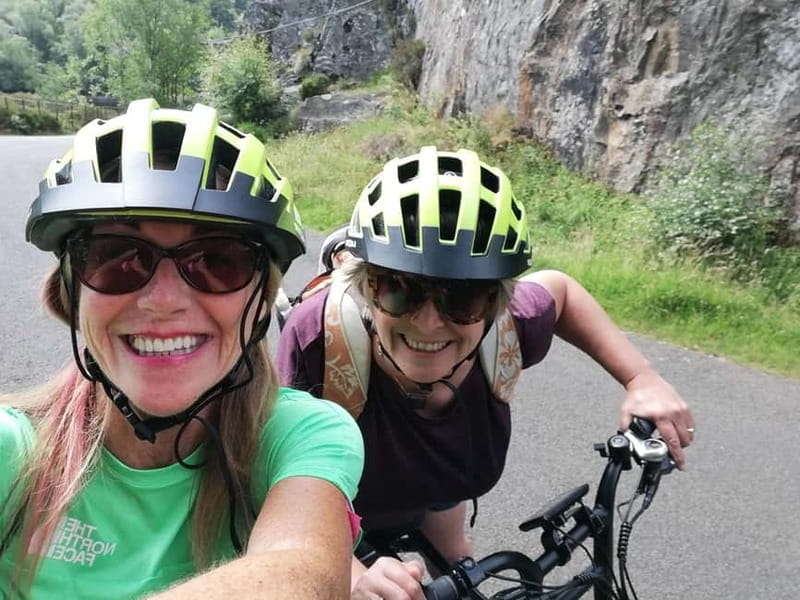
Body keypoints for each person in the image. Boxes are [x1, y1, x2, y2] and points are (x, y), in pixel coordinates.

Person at [276, 146, 695, 600]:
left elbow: (562, 291)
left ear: (496, 302)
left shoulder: (508, 327)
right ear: (365, 289)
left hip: (438, 490)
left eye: (463, 297)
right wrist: (353, 572)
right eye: (399, 289)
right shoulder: (320, 339)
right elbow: (275, 473)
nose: (429, 322)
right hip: (335, 511)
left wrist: (642, 378)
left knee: (457, 562)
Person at [0, 98, 364, 599]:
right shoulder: (12, 453)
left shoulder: (301, 435)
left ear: (261, 304)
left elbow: (303, 573)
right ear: (71, 294)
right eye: (116, 257)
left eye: (218, 259)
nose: (163, 301)